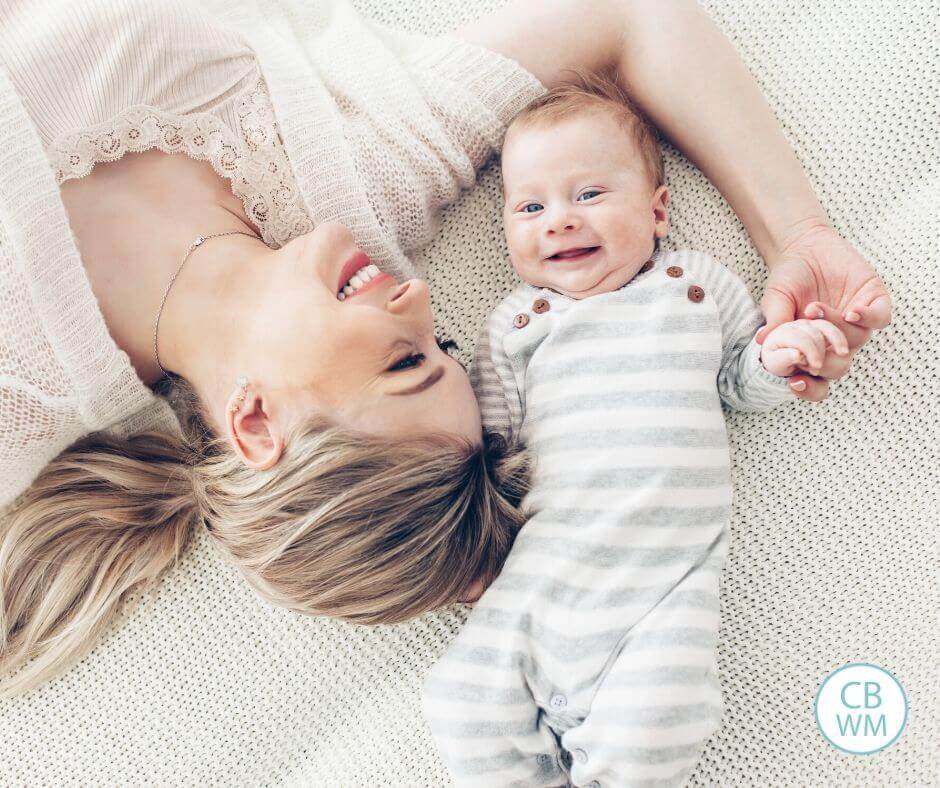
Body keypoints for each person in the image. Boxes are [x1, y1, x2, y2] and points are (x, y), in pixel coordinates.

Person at [0, 0, 889, 699]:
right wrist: (798, 235)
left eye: (400, 363)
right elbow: (628, 14)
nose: (418, 296)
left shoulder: (19, 391)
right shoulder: (364, 179)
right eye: (441, 346)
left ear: (259, 424)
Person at [422, 70, 860, 787]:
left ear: (659, 211)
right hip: (541, 576)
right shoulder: (517, 324)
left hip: (667, 589)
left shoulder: (695, 286)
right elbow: (494, 449)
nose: (559, 219)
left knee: (663, 723)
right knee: (462, 702)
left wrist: (779, 358)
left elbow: (736, 382)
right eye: (529, 206)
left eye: (589, 194)